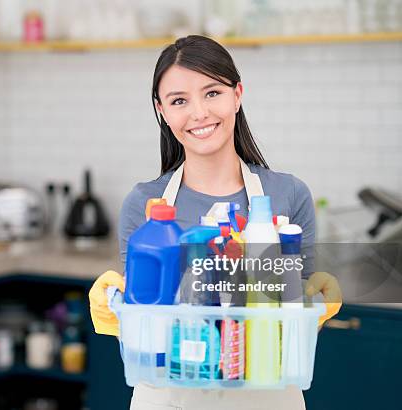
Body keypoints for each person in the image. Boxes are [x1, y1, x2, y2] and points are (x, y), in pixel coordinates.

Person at [89, 35, 342, 410]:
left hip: (267, 397)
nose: (199, 113)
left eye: (212, 93)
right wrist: (119, 309)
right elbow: (146, 334)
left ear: (237, 95)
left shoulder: (288, 194)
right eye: (179, 101)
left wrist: (314, 305)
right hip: (170, 398)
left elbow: (290, 331)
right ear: (162, 112)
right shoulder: (145, 204)